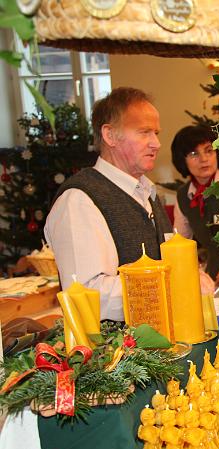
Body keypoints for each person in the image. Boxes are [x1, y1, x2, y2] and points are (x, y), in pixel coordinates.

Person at [45, 87, 173, 321]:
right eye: (144, 132)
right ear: (110, 135)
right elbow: (89, 297)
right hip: (114, 355)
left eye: (156, 133)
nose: (156, 143)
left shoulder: (147, 192)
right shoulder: (79, 200)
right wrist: (171, 286)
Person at [171, 125, 219, 280]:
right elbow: (179, 245)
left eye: (209, 150)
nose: (204, 159)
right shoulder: (183, 196)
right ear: (182, 160)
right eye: (194, 154)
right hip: (215, 281)